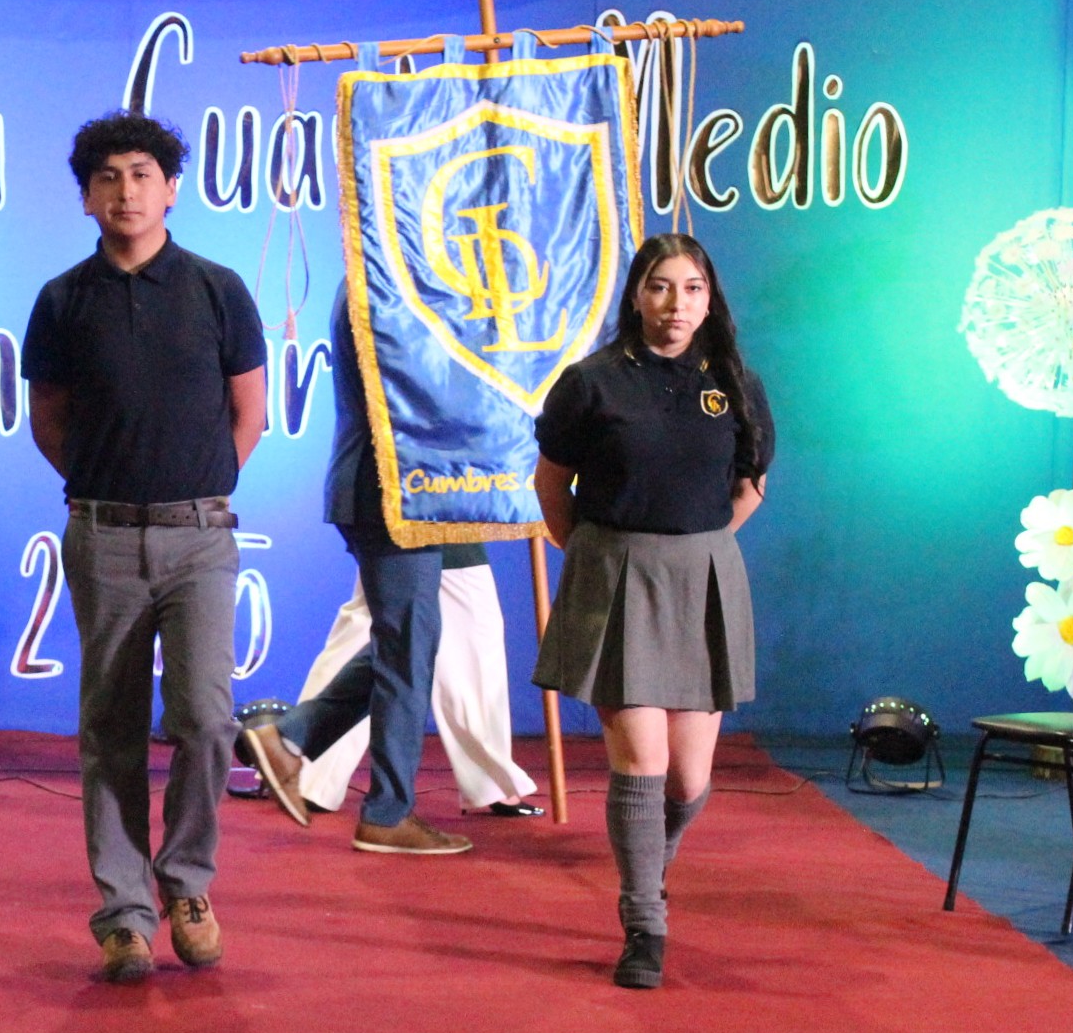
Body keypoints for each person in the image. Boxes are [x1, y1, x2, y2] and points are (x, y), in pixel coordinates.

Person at [23, 111, 267, 983]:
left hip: (201, 537)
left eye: (141, 174)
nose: (125, 191)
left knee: (205, 717)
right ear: (86, 198)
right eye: (107, 178)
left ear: (171, 189)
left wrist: (195, 487)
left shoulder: (217, 289)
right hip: (102, 538)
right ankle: (124, 912)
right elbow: (48, 420)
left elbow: (250, 413)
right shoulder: (62, 300)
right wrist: (107, 487)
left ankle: (188, 883)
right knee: (111, 728)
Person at [529, 233, 773, 990]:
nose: (676, 304)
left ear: (710, 297)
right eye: (661, 287)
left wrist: (697, 548)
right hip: (615, 573)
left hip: (702, 577)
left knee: (689, 781)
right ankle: (644, 924)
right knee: (642, 763)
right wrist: (598, 557)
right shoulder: (591, 383)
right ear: (636, 295)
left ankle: (648, 867)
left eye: (692, 288)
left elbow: (750, 486)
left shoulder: (734, 382)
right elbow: (550, 484)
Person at [235, 288, 480, 853]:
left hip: (398, 485)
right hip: (391, 486)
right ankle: (387, 813)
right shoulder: (388, 282)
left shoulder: (385, 278)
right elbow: (421, 388)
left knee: (408, 642)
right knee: (407, 645)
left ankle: (290, 741)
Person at [270, 546, 542, 820]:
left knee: (364, 636)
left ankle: (302, 767)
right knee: (471, 652)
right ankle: (494, 785)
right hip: (442, 538)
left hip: (386, 534)